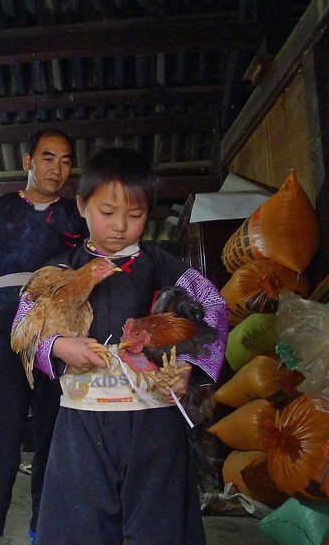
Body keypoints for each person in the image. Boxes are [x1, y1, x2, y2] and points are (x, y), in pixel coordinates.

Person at [14, 147, 228, 544]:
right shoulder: (59, 269)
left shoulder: (165, 265)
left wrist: (190, 368)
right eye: (107, 212)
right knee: (79, 523)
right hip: (83, 419)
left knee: (160, 524)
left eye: (135, 216)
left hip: (154, 420)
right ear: (81, 206)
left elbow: (214, 305)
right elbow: (24, 324)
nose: (120, 227)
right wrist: (59, 347)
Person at [0, 129, 87, 544]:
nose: (57, 168)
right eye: (48, 158)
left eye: (65, 161)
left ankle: (45, 526)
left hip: (58, 340)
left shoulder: (77, 217)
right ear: (28, 161)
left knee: (57, 430)